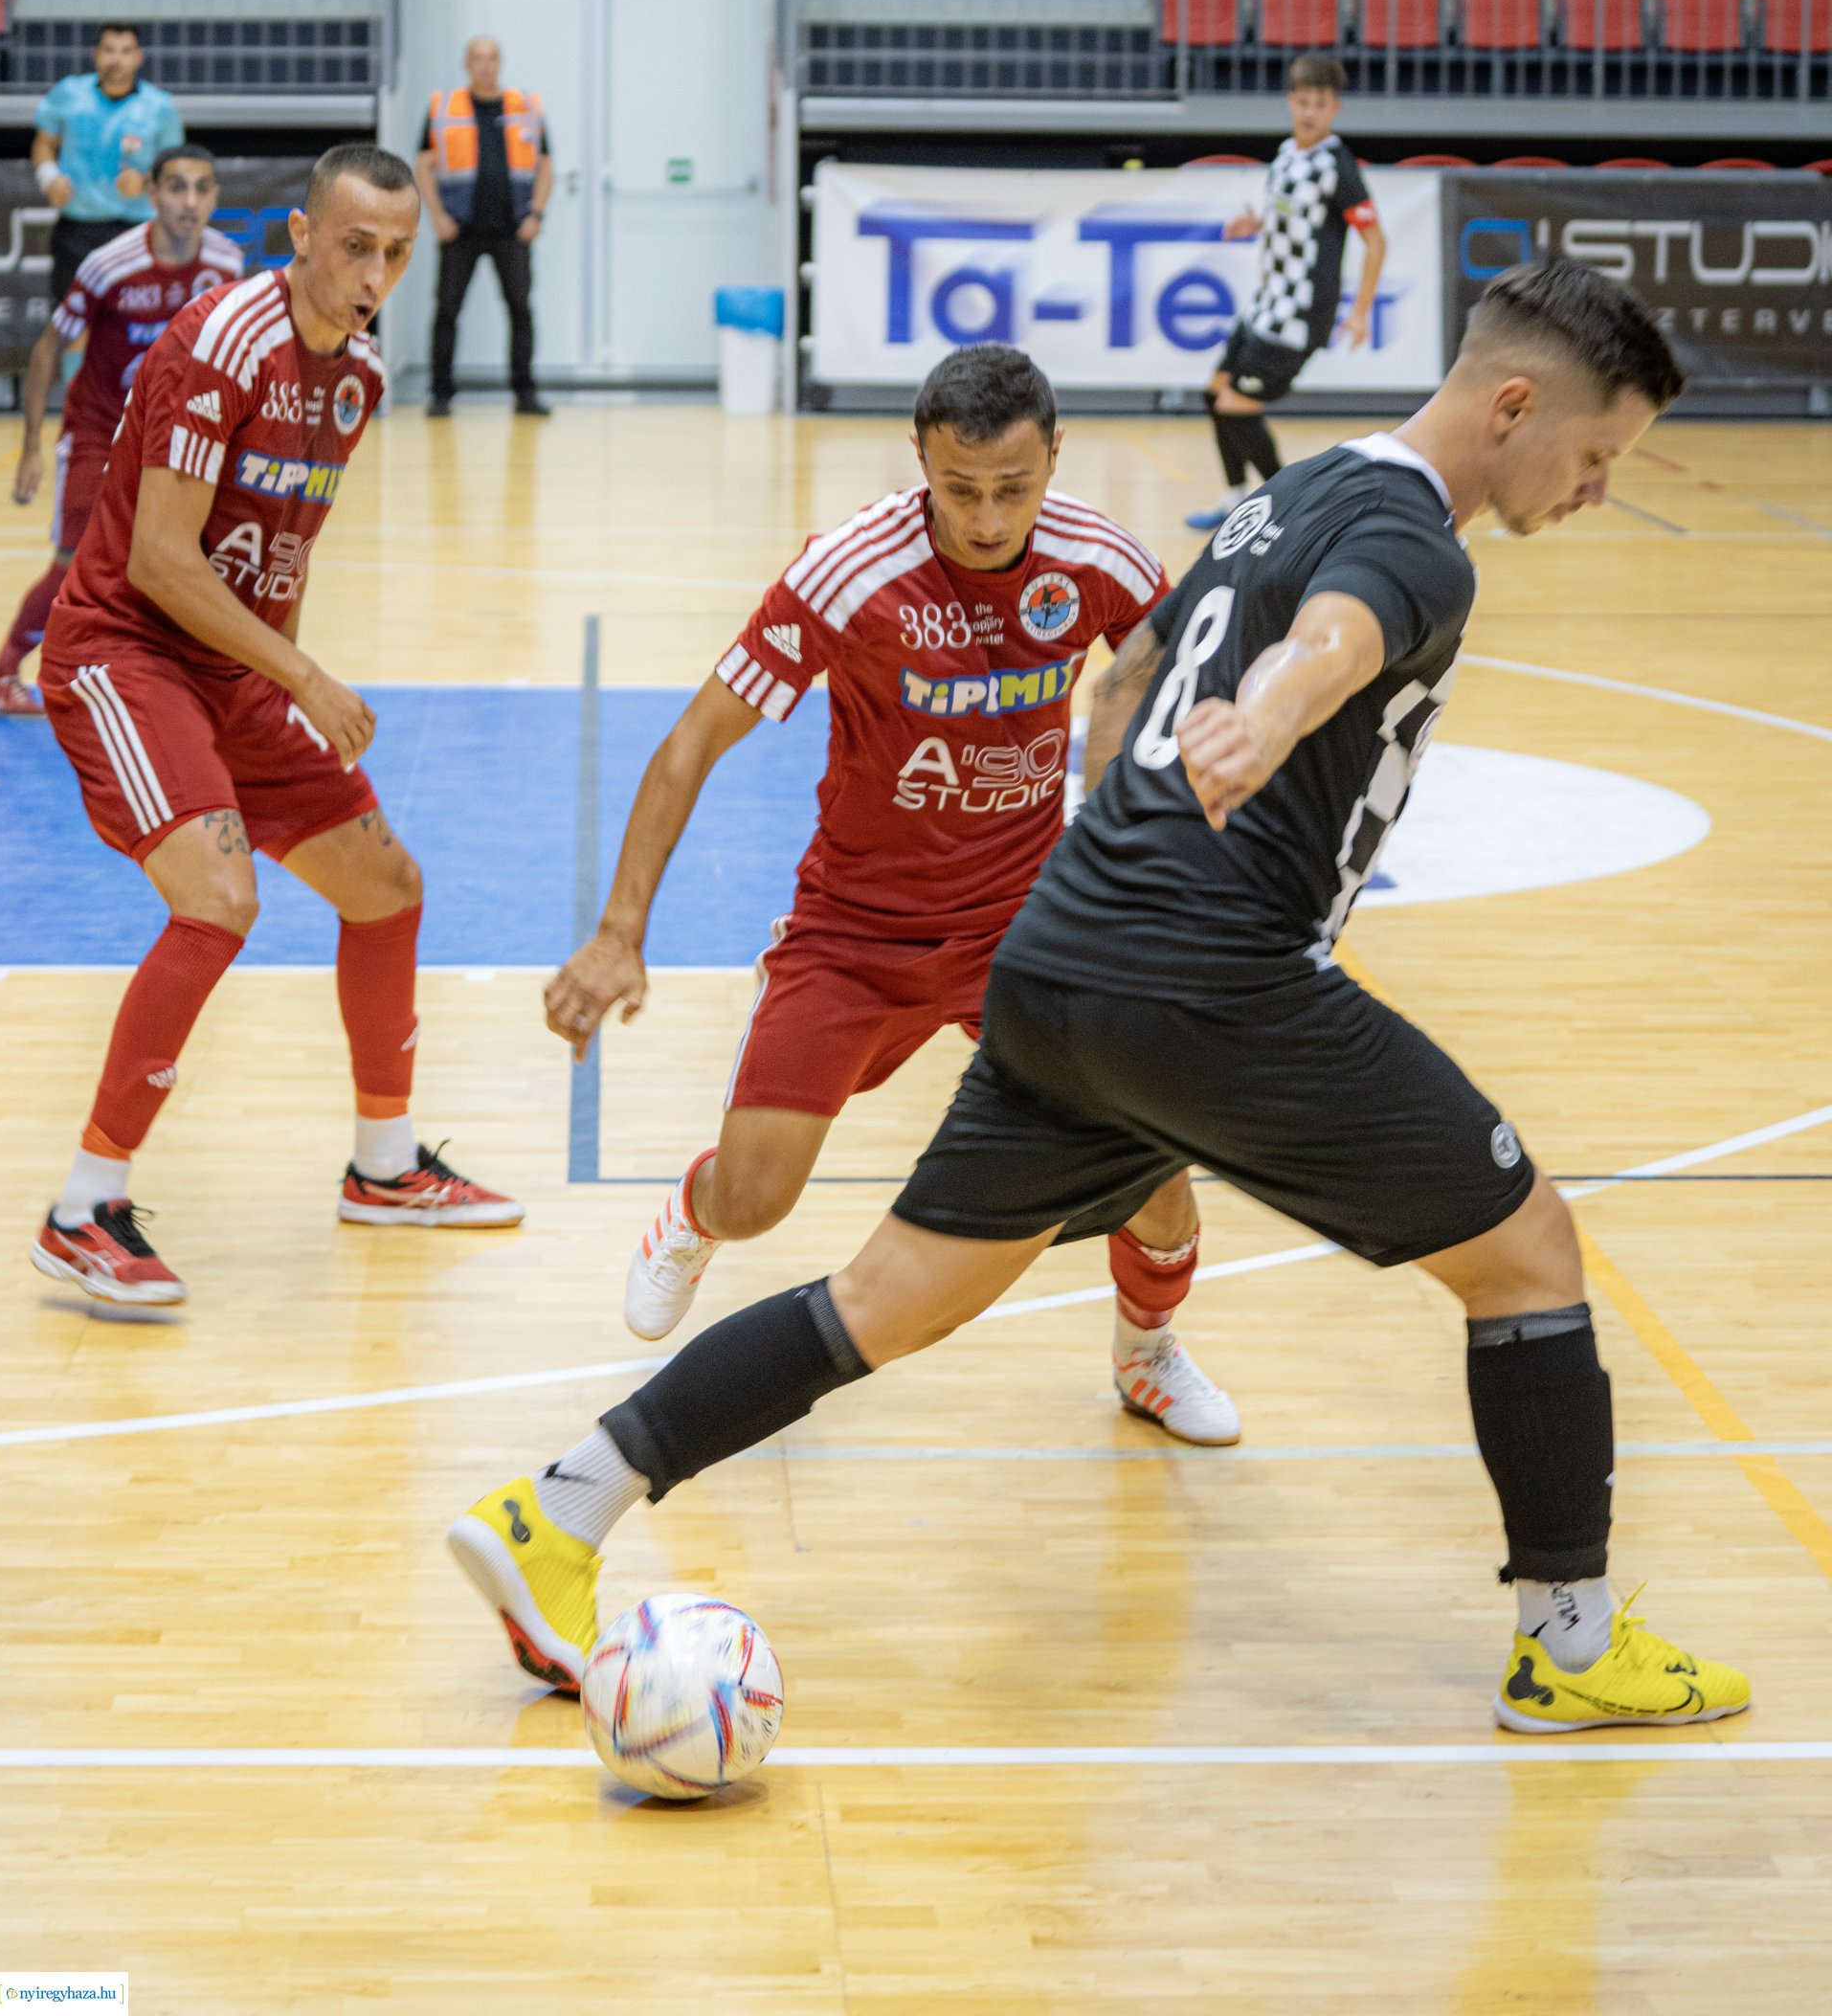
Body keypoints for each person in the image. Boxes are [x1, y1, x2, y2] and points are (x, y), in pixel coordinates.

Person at [452, 262, 1751, 1741]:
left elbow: (1130, 665)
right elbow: (1335, 642)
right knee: (1529, 1253)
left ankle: (558, 1508)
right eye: (1593, 459)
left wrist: (1125, 812)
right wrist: (1266, 718)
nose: (1590, 491)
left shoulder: (1297, 485)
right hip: (1210, 975)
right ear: (1514, 404)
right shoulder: (1415, 547)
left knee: (877, 1304)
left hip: (1058, 958)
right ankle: (1567, 1648)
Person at [542, 343, 1238, 1481]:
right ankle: (694, 1214)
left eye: (1014, 488)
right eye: (959, 488)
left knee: (1153, 1160)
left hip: (1027, 928)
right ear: (921, 458)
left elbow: (1180, 686)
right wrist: (619, 933)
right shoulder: (847, 572)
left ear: (1054, 457)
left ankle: (1148, 1352)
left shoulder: (1101, 560)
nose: (984, 517)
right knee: (758, 1197)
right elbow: (690, 745)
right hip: (855, 934)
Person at [31, 143, 522, 1313]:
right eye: (355, 245)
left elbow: (279, 555)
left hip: (232, 673)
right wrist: (301, 676)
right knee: (219, 899)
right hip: (124, 649)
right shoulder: (218, 344)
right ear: (300, 235)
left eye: (397, 253)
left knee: (386, 887)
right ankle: (82, 1208)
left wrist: (273, 684)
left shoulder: (359, 370)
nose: (375, 272)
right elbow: (158, 557)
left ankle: (386, 1169)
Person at [0, 146, 241, 718]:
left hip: (172, 441)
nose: (189, 201)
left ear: (214, 199)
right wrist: (32, 447)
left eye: (202, 189)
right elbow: (49, 346)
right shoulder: (112, 264)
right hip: (98, 432)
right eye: (176, 188)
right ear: (152, 195)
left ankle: (167, 675)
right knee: (72, 560)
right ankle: (5, 668)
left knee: (187, 559)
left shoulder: (227, 263)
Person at [1186, 53, 1384, 531]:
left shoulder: (1338, 166)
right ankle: (1236, 498)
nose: (1309, 111)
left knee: (1237, 404)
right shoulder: (1285, 154)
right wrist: (1256, 222)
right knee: (1215, 396)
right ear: (1290, 102)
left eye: (1319, 103)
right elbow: (1292, 220)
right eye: (1302, 101)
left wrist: (1359, 313)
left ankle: (1287, 507)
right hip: (1267, 303)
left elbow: (1376, 241)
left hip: (1300, 314)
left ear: (1334, 107)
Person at [416, 36, 553, 418]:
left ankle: (525, 392)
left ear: (501, 62)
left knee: (521, 310)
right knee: (446, 311)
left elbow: (545, 166)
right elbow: (423, 166)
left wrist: (536, 214)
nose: (485, 65)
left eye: (492, 58)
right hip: (460, 230)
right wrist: (438, 217)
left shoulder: (525, 108)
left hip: (513, 229)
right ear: (466, 63)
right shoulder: (444, 107)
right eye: (478, 58)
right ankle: (441, 393)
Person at [33, 24, 185, 308]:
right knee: (71, 325)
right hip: (77, 227)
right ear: (95, 54)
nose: (116, 59)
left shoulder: (160, 106)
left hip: (136, 229)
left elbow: (175, 168)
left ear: (138, 57)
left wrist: (146, 182)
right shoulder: (69, 93)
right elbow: (44, 144)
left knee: (133, 321)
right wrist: (49, 177)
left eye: (125, 51)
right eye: (109, 50)